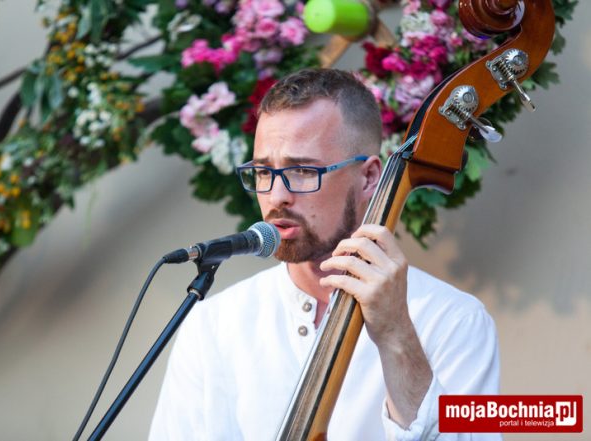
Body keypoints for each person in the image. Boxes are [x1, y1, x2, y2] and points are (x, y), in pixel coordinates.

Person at [149, 68, 500, 440]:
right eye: (264, 172)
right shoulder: (215, 324)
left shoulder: (455, 321)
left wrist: (396, 334)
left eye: (302, 170)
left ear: (368, 177)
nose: (277, 196)